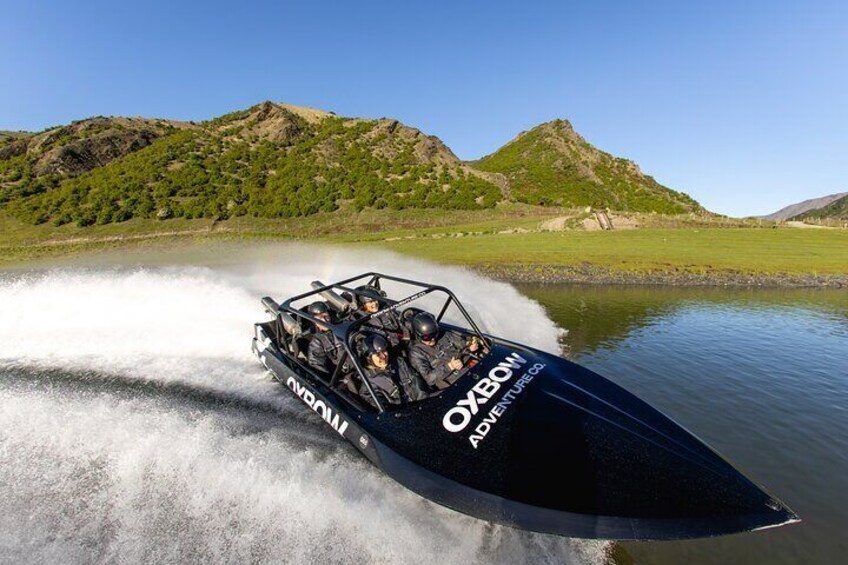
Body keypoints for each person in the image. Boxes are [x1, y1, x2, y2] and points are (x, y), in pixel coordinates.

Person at [408, 312, 485, 388]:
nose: (433, 338)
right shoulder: (416, 353)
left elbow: (462, 343)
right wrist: (450, 366)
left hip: (472, 366)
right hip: (455, 380)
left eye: (434, 334)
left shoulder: (444, 335)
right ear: (418, 335)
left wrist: (470, 345)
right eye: (427, 337)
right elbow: (429, 378)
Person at [360, 334, 427, 407]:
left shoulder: (399, 363)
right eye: (378, 354)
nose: (383, 356)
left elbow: (417, 382)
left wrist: (423, 401)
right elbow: (382, 406)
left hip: (422, 404)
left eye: (384, 351)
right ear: (369, 359)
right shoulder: (369, 382)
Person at [306, 301, 345, 375]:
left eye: (325, 316)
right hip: (346, 374)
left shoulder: (342, 326)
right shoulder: (317, 341)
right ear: (314, 321)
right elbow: (316, 364)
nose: (324, 321)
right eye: (320, 318)